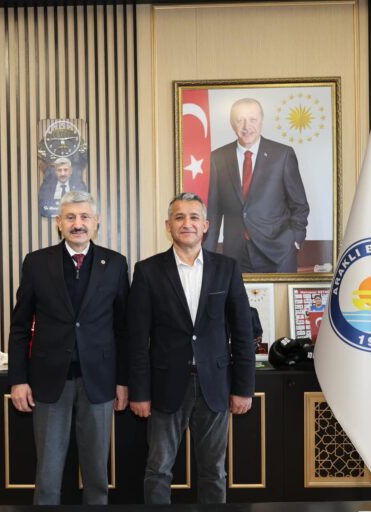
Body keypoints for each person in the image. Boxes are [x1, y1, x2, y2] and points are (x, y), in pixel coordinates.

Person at [128, 192, 255, 504]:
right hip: (165, 385)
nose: (187, 223)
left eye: (194, 217)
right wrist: (139, 392)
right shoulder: (147, 271)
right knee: (158, 470)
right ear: (168, 225)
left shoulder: (227, 268)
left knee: (214, 471)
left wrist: (244, 388)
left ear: (206, 225)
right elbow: (137, 339)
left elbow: (242, 333)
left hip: (215, 384)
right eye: (180, 217)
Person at [8, 190, 129, 505]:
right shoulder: (37, 263)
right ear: (59, 223)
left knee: (97, 477)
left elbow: (123, 330)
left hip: (99, 383)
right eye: (71, 217)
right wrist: (18, 380)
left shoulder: (116, 264)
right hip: (49, 383)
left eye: (85, 217)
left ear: (96, 222)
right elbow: (20, 326)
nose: (78, 224)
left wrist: (123, 381)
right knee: (48, 478)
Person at [204, 98, 309, 273]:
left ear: (262, 121)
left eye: (253, 119)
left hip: (278, 253)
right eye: (240, 120)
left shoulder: (283, 155)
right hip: (235, 255)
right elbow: (214, 211)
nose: (247, 126)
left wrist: (295, 240)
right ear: (232, 123)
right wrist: (207, 254)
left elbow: (299, 205)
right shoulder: (218, 157)